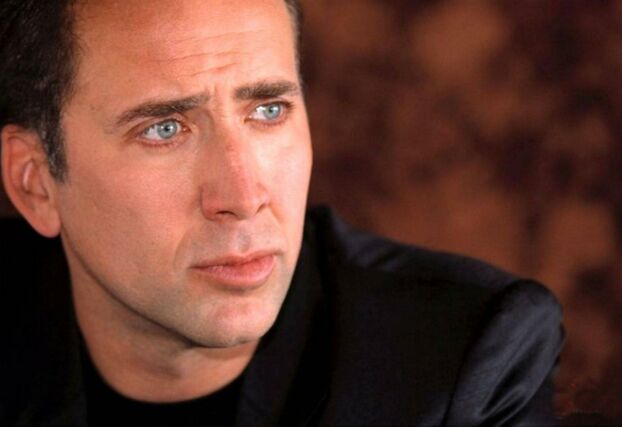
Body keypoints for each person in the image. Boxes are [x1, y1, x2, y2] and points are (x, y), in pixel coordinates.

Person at [0, 0, 564, 425]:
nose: (245, 197)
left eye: (268, 110)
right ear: (36, 183)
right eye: (164, 129)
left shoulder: (464, 358)